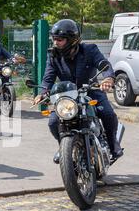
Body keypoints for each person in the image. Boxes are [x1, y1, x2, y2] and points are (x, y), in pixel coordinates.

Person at [32, 19, 123, 164]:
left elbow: (103, 64)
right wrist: (43, 92)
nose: (56, 43)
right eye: (54, 39)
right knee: (53, 121)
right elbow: (48, 77)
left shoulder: (89, 50)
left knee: (108, 113)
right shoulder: (53, 55)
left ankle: (113, 145)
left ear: (72, 40)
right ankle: (64, 147)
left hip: (91, 91)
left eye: (60, 40)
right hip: (67, 96)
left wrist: (109, 79)